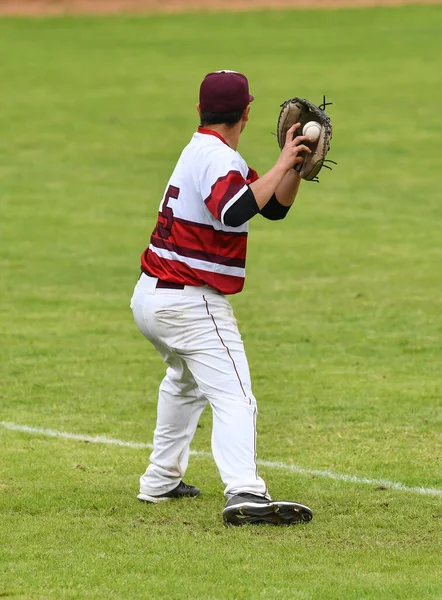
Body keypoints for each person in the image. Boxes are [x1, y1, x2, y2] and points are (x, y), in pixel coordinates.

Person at [130, 70, 313, 526]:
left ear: (199, 110)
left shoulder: (207, 151)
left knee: (184, 382)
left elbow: (270, 206)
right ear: (247, 112)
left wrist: (290, 166)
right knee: (236, 397)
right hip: (188, 303)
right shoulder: (218, 160)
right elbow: (233, 210)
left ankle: (160, 480)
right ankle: (245, 492)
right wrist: (278, 164)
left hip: (153, 297)